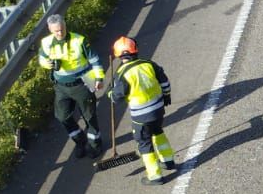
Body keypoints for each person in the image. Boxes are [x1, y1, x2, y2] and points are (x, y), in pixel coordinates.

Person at [37, 12, 104, 159]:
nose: (60, 33)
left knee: (89, 116)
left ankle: (95, 145)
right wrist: (46, 64)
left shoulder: (79, 40)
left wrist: (99, 78)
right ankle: (80, 141)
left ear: (65, 25)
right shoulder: (46, 42)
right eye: (56, 31)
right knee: (62, 116)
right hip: (61, 86)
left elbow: (94, 59)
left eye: (62, 29)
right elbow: (41, 58)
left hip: (83, 83)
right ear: (50, 29)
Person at [109, 36, 175, 185]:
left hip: (141, 115)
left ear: (118, 55)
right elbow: (164, 82)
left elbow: (117, 97)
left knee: (144, 143)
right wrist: (166, 95)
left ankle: (155, 176)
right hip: (158, 109)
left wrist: (110, 94)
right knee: (158, 132)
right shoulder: (149, 64)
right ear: (135, 50)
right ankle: (168, 161)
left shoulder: (121, 73)